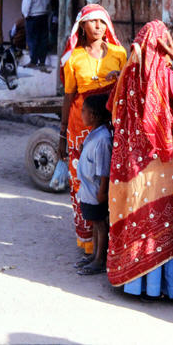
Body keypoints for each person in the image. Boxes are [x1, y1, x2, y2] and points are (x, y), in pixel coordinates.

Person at [106, 20, 173, 300]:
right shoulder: (166, 79)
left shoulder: (128, 78)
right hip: (167, 165)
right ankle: (168, 287)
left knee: (141, 217)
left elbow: (113, 113)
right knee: (167, 219)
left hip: (135, 166)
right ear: (166, 48)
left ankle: (137, 284)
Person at [58, 4, 126, 256]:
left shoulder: (119, 53)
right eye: (92, 21)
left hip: (112, 124)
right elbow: (68, 97)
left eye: (102, 21)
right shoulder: (73, 58)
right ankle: (88, 241)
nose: (98, 26)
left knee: (111, 181)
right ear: (82, 27)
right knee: (83, 183)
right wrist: (62, 134)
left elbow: (127, 87)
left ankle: (111, 244)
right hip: (81, 126)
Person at [74, 93, 113, 275]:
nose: (81, 114)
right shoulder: (94, 134)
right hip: (88, 189)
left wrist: (103, 192)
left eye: (84, 111)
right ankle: (95, 255)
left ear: (95, 115)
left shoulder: (103, 139)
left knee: (100, 224)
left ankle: (99, 259)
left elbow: (104, 170)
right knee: (95, 223)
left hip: (97, 190)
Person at [21, 0, 50, 69]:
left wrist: (25, 15)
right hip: (44, 16)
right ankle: (42, 61)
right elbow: (47, 4)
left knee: (32, 39)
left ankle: (33, 60)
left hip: (33, 17)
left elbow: (26, 6)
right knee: (43, 39)